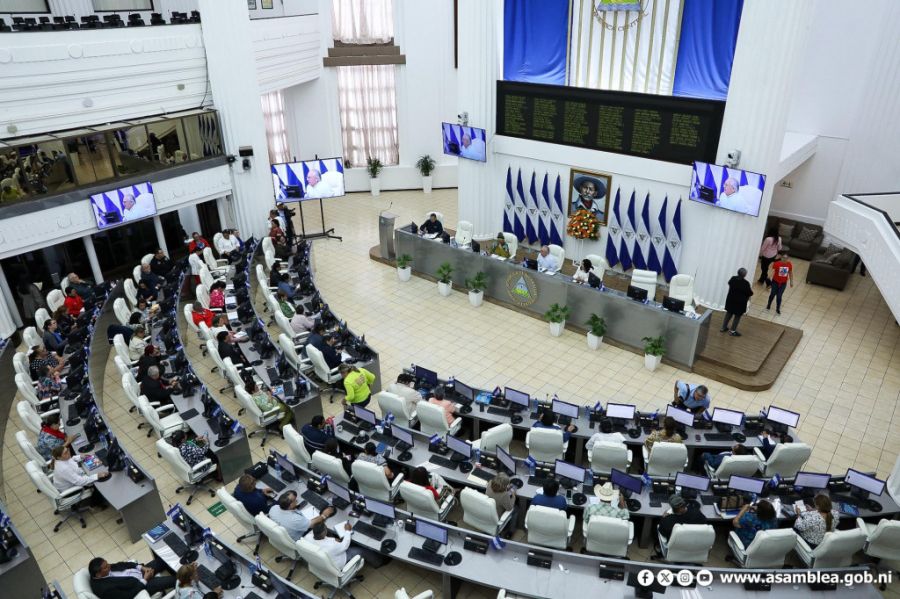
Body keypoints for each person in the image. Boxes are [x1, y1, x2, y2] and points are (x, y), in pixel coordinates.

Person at [89, 556, 176, 599]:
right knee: (174, 580)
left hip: (140, 572)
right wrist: (145, 580)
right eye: (106, 567)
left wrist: (141, 567)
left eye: (107, 563)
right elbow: (128, 596)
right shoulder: (106, 590)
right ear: (98, 574)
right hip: (141, 586)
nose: (109, 566)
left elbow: (123, 564)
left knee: (163, 559)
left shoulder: (105, 569)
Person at [268, 490, 335, 541]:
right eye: (295, 500)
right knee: (322, 527)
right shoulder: (295, 519)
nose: (297, 501)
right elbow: (312, 524)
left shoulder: (274, 508)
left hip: (284, 535)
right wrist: (324, 515)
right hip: (299, 538)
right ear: (290, 505)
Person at [722, 267, 753, 336]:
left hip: (731, 300)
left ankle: (723, 327)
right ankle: (732, 331)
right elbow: (750, 293)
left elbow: (729, 283)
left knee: (728, 313)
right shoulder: (746, 283)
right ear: (744, 275)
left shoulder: (733, 278)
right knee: (737, 316)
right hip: (740, 303)